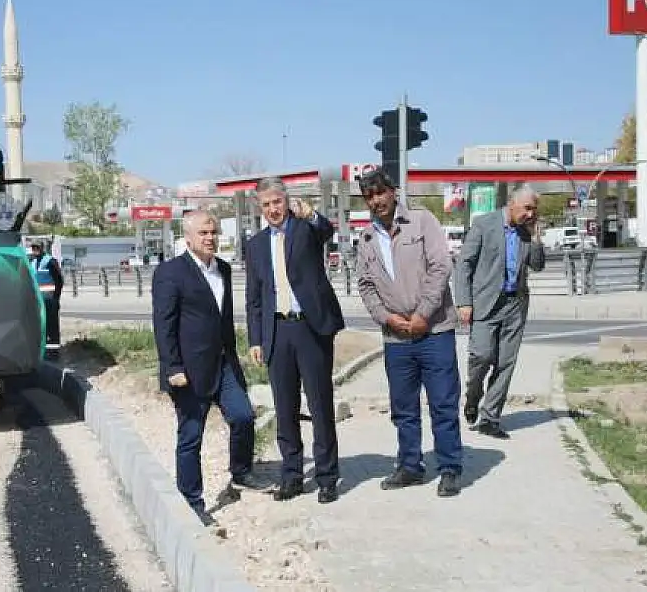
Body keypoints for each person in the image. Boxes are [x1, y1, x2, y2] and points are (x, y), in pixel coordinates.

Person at [151, 211, 273, 526]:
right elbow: (163, 325)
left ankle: (241, 472)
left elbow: (223, 318)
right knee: (191, 435)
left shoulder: (224, 270)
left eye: (214, 232)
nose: (210, 238)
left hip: (224, 363)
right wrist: (172, 367)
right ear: (187, 237)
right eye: (204, 233)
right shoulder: (170, 273)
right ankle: (191, 501)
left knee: (243, 416)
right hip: (188, 371)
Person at [353, 168, 463, 497]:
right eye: (369, 196)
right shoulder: (367, 238)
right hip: (396, 337)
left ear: (393, 191)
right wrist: (386, 318)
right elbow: (365, 284)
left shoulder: (421, 221)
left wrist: (422, 314)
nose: (376, 201)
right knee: (403, 408)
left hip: (434, 331)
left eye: (380, 193)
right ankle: (410, 466)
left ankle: (450, 468)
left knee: (443, 402)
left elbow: (441, 266)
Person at [245, 177, 345, 504]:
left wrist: (312, 214)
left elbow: (326, 230)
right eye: (266, 204)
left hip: (310, 328)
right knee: (285, 408)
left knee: (319, 404)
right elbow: (254, 298)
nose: (273, 209)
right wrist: (256, 338)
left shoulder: (305, 228)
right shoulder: (256, 244)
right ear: (259, 208)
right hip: (277, 332)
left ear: (286, 200)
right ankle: (292, 475)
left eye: (277, 202)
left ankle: (328, 476)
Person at [454, 185, 545, 439]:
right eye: (527, 208)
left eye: (534, 210)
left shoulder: (527, 231)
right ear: (512, 203)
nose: (530, 214)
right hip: (485, 303)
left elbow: (537, 266)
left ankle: (490, 418)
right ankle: (473, 397)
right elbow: (464, 265)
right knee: (481, 356)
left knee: (506, 363)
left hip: (515, 304)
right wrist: (463, 301)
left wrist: (536, 237)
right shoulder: (484, 225)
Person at [28, 241, 64, 352]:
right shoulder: (32, 262)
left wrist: (56, 298)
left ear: (42, 248)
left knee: (52, 324)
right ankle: (43, 348)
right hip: (38, 300)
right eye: (33, 247)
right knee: (41, 324)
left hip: (50, 299)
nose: (35, 250)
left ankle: (54, 349)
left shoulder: (50, 261)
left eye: (37, 247)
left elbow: (59, 280)